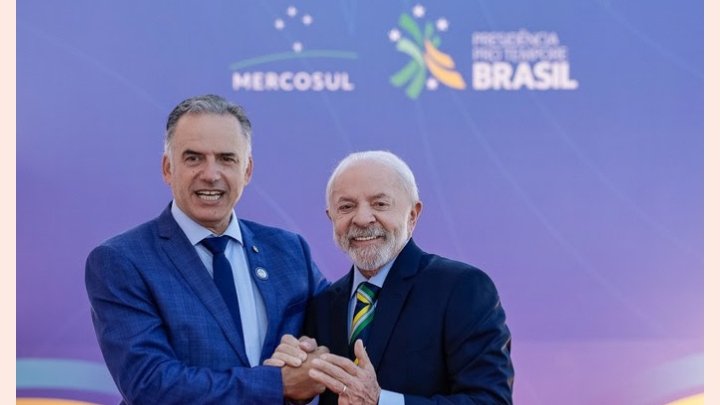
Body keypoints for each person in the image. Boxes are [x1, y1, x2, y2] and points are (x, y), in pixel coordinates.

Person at [85, 94, 329, 404]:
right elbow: (151, 384)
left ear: (247, 170)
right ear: (167, 168)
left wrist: (312, 353)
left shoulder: (290, 250)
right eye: (193, 158)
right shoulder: (121, 261)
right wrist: (277, 384)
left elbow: (338, 332)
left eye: (227, 159)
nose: (211, 174)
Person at [267, 150, 514, 404]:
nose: (362, 219)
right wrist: (291, 381)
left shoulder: (462, 289)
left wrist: (380, 401)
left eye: (380, 204)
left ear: (413, 215)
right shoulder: (322, 305)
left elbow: (491, 401)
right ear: (331, 217)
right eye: (346, 207)